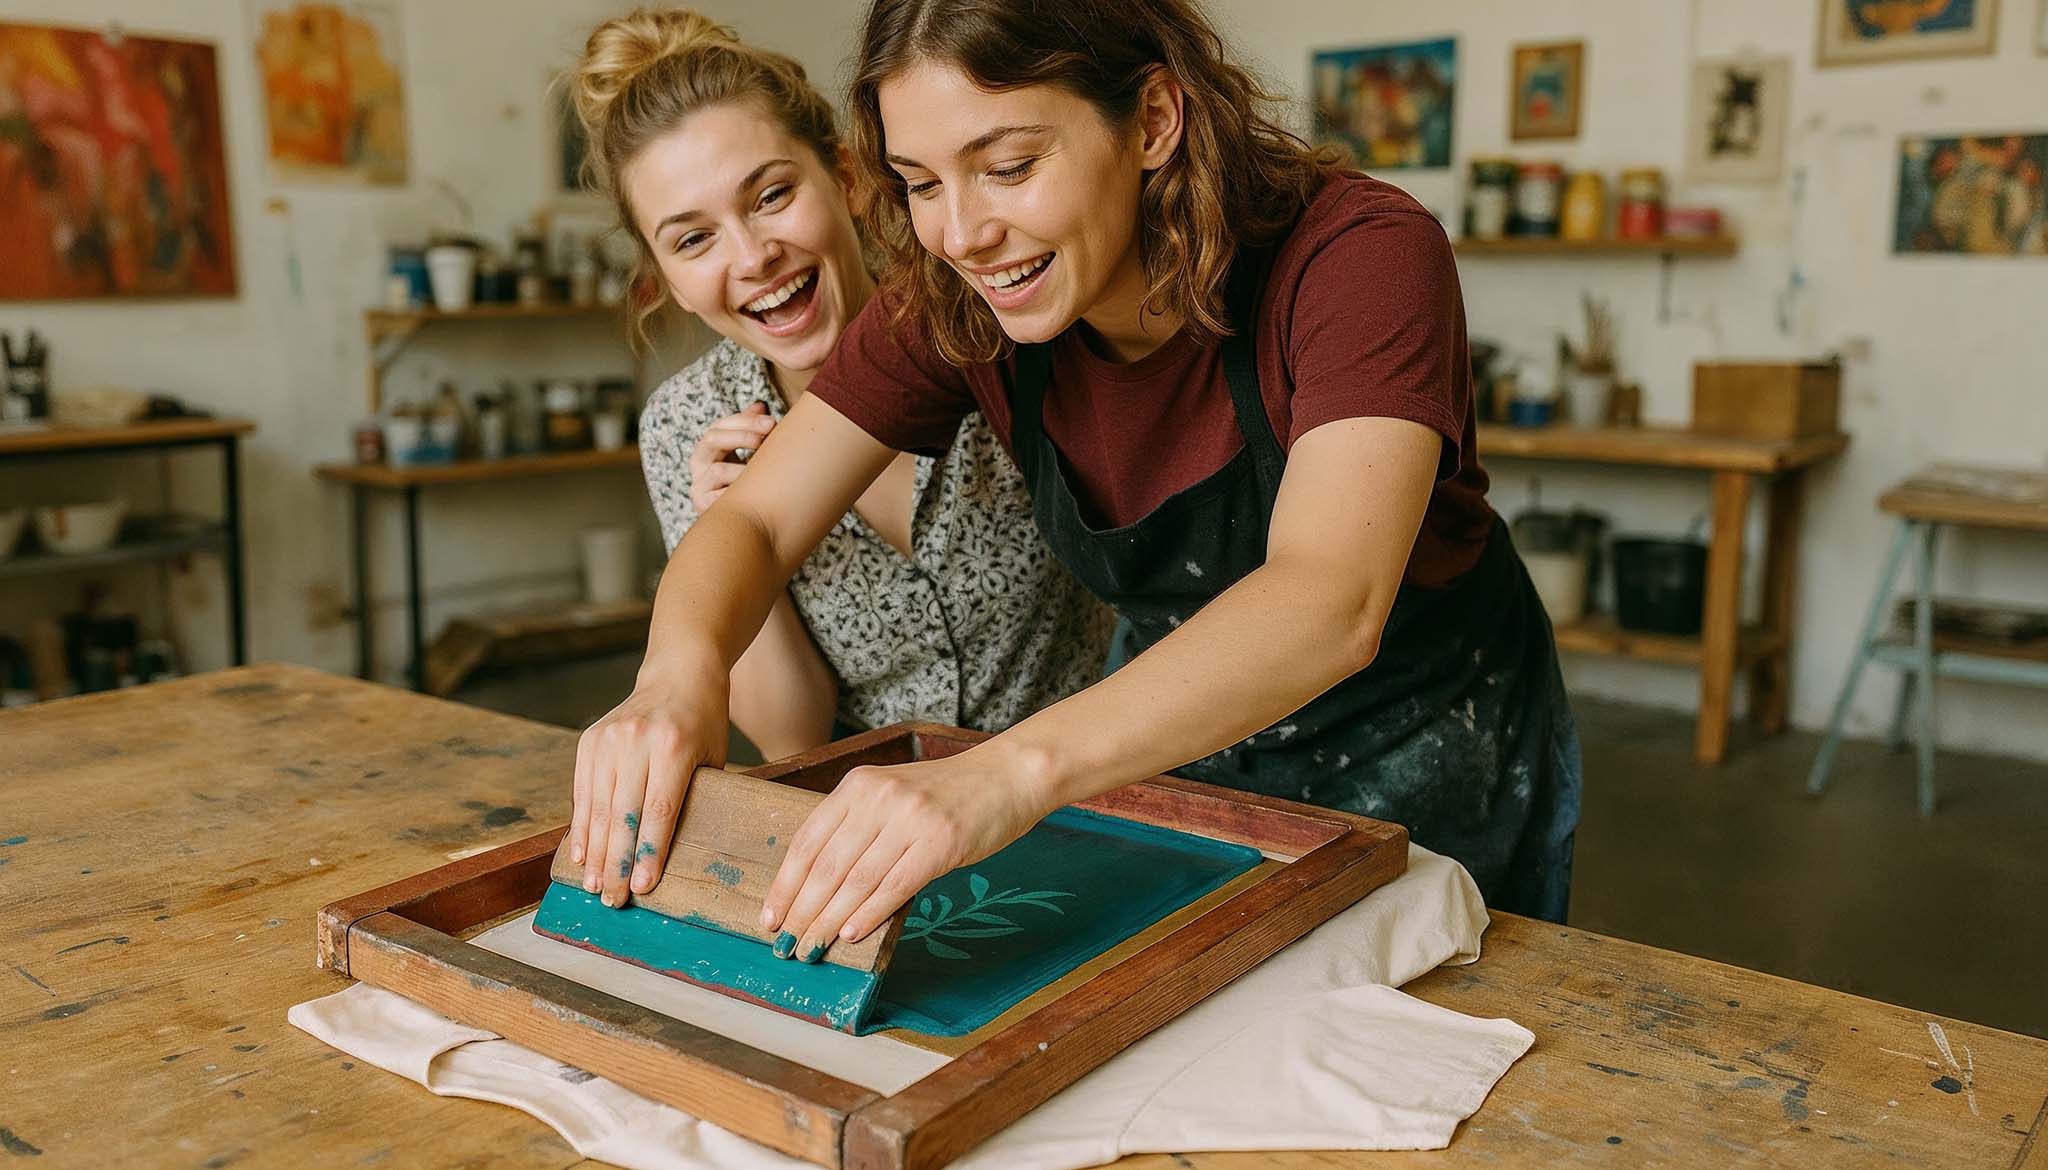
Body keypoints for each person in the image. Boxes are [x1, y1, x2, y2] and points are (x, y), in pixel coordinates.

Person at [570, 0, 1580, 961]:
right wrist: (675, 679)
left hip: (1427, 728)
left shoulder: (1356, 258)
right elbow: (752, 519)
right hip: (1167, 725)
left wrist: (1003, 773)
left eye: (1006, 166)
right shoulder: (959, 300)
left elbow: (1329, 598)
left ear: (1149, 118)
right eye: (920, 183)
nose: (961, 234)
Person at [566, 10, 1113, 797]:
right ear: (664, 280)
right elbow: (794, 734)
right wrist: (723, 535)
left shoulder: (989, 314)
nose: (753, 257)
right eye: (693, 240)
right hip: (873, 822)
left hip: (1088, 787)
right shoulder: (690, 422)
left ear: (848, 178)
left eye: (772, 195)